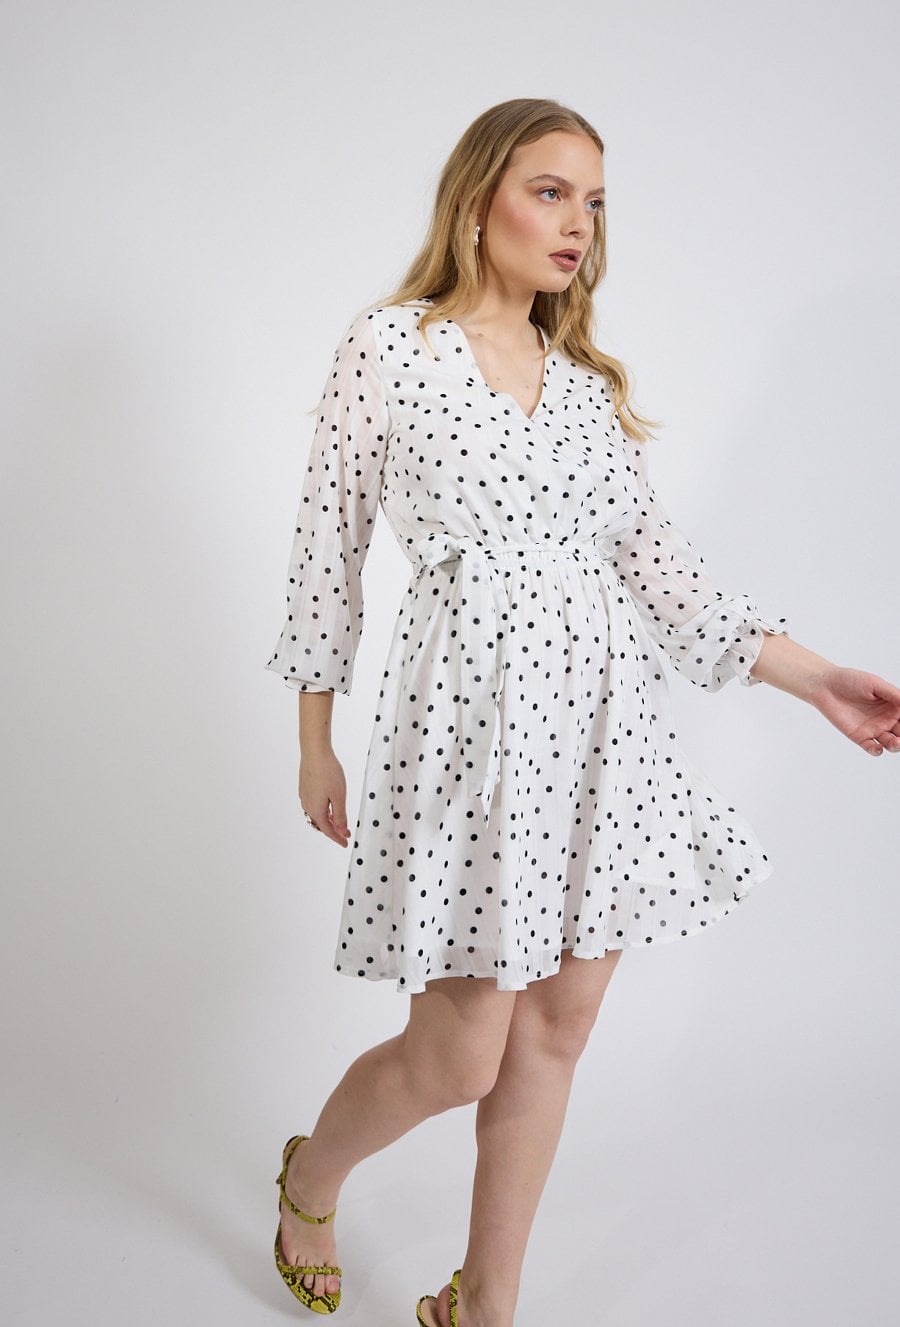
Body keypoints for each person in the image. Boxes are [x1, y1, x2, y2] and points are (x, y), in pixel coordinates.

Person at [263, 98, 900, 1327]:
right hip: (463, 741)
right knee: (455, 1058)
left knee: (556, 1030)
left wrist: (820, 678)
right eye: (551, 191)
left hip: (604, 745)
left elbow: (670, 581)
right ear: (477, 198)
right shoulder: (389, 347)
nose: (578, 223)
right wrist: (313, 739)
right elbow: (324, 553)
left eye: (594, 202)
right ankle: (310, 1177)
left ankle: (485, 1305)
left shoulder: (587, 388)